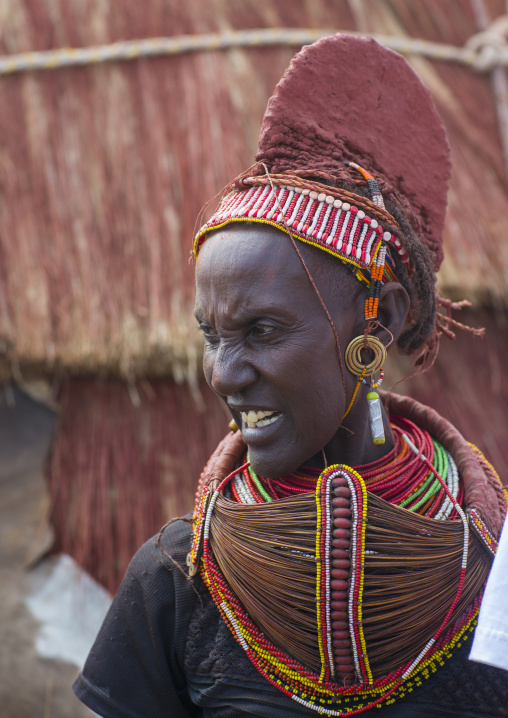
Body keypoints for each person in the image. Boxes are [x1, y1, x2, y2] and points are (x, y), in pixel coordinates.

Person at [73, 34, 508, 717]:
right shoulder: (179, 579)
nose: (223, 373)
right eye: (211, 337)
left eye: (262, 331)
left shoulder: (493, 571)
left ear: (381, 319)